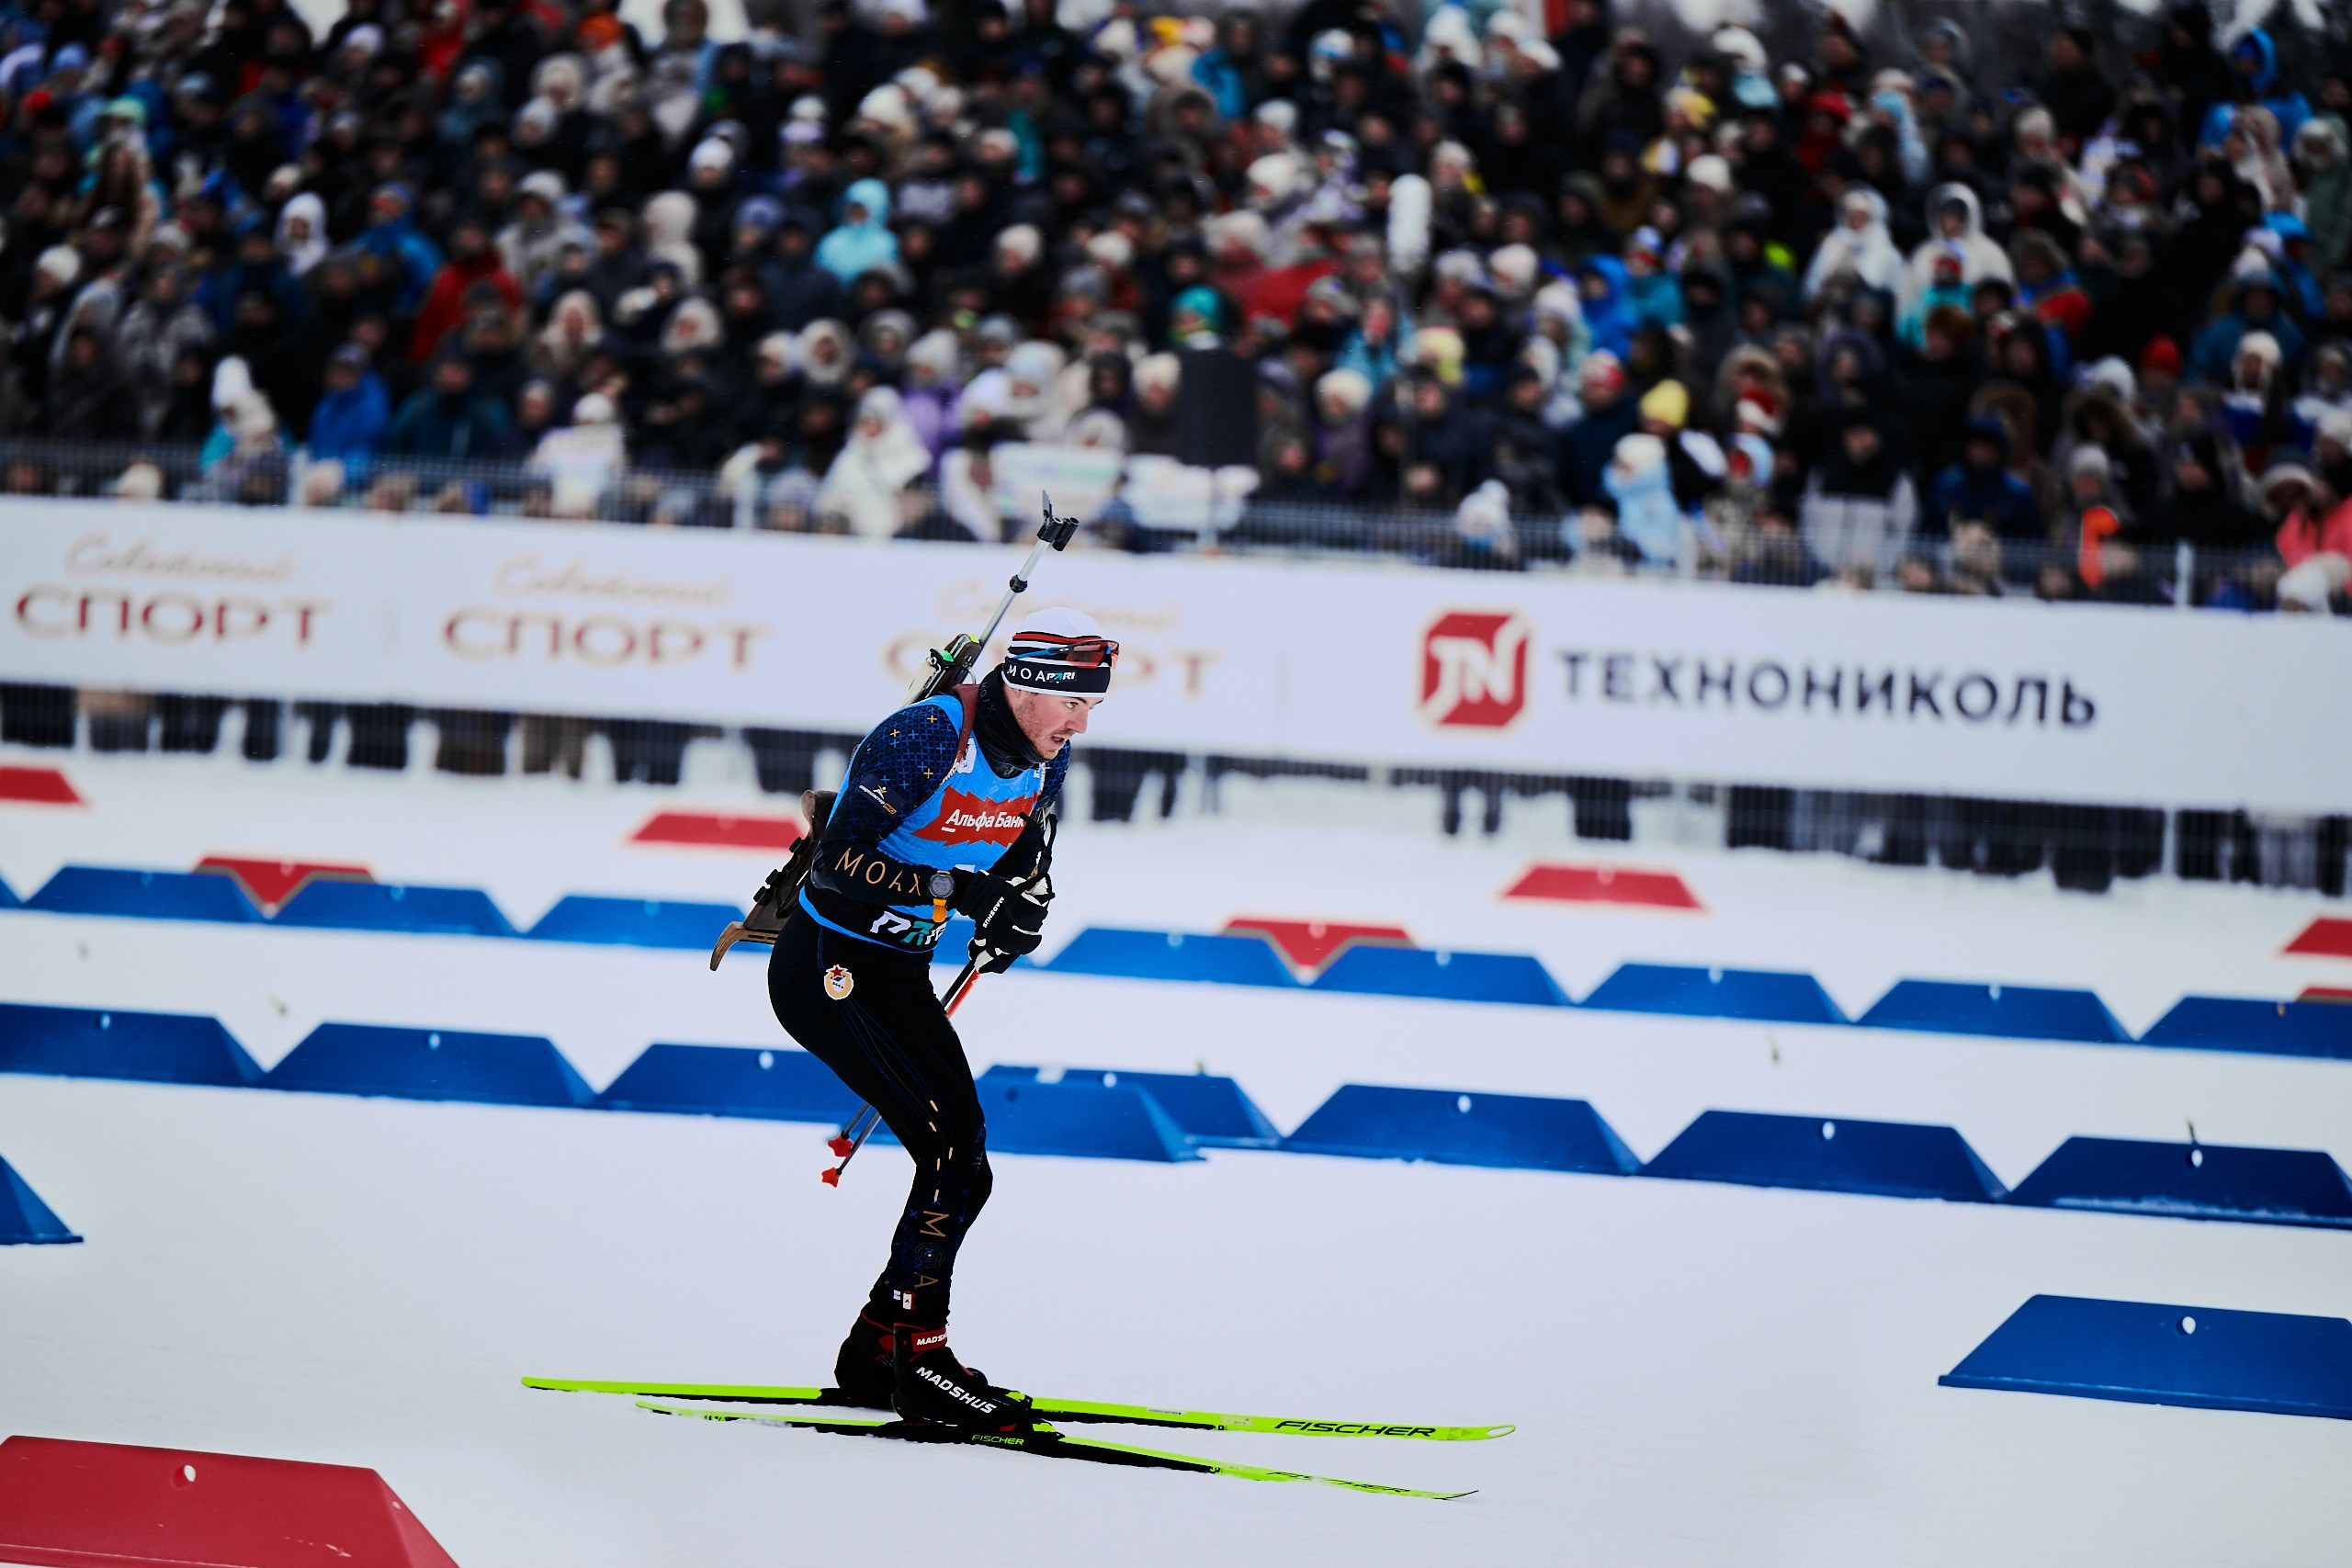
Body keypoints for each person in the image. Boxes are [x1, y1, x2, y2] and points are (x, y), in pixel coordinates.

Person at [769, 608, 1115, 1431]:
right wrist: (960, 892)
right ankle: (921, 1359)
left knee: (965, 1161)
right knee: (953, 1150)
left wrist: (1019, 910)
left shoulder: (1041, 756)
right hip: (830, 966)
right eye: (1074, 703)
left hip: (899, 972)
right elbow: (840, 863)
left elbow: (1028, 854)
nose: (1081, 724)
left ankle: (881, 1345)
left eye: (1094, 708)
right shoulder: (928, 734)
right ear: (1030, 684)